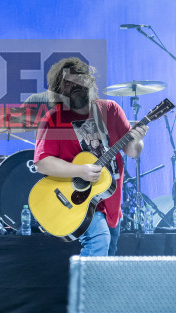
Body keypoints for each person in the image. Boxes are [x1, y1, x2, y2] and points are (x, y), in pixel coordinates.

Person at [33, 57, 148, 256]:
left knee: (109, 251)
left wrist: (137, 139)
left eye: (79, 80)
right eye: (67, 83)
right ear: (60, 90)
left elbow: (132, 151)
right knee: (99, 242)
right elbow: (42, 163)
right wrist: (80, 170)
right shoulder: (54, 118)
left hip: (111, 198)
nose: (74, 86)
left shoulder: (110, 110)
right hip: (77, 201)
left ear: (90, 81)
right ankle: (86, 288)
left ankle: (95, 287)